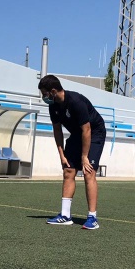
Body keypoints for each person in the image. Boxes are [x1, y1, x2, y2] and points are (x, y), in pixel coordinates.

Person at [38, 74, 106, 230]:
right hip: (77, 134)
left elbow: (87, 130)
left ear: (53, 91)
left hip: (94, 132)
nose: (43, 97)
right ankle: (65, 215)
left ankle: (92, 218)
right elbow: (57, 131)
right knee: (68, 170)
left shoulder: (76, 102)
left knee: (89, 172)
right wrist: (61, 154)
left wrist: (84, 157)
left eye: (44, 94)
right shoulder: (53, 105)